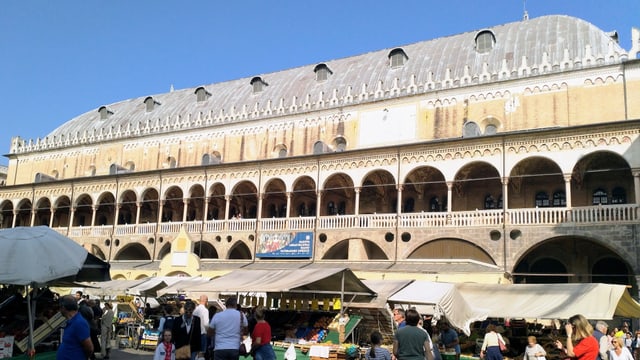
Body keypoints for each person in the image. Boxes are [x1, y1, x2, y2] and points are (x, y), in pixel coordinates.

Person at [57, 294, 94, 360]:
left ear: (63, 307)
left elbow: (89, 348)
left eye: (59, 307)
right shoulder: (72, 321)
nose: (59, 310)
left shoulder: (79, 323)